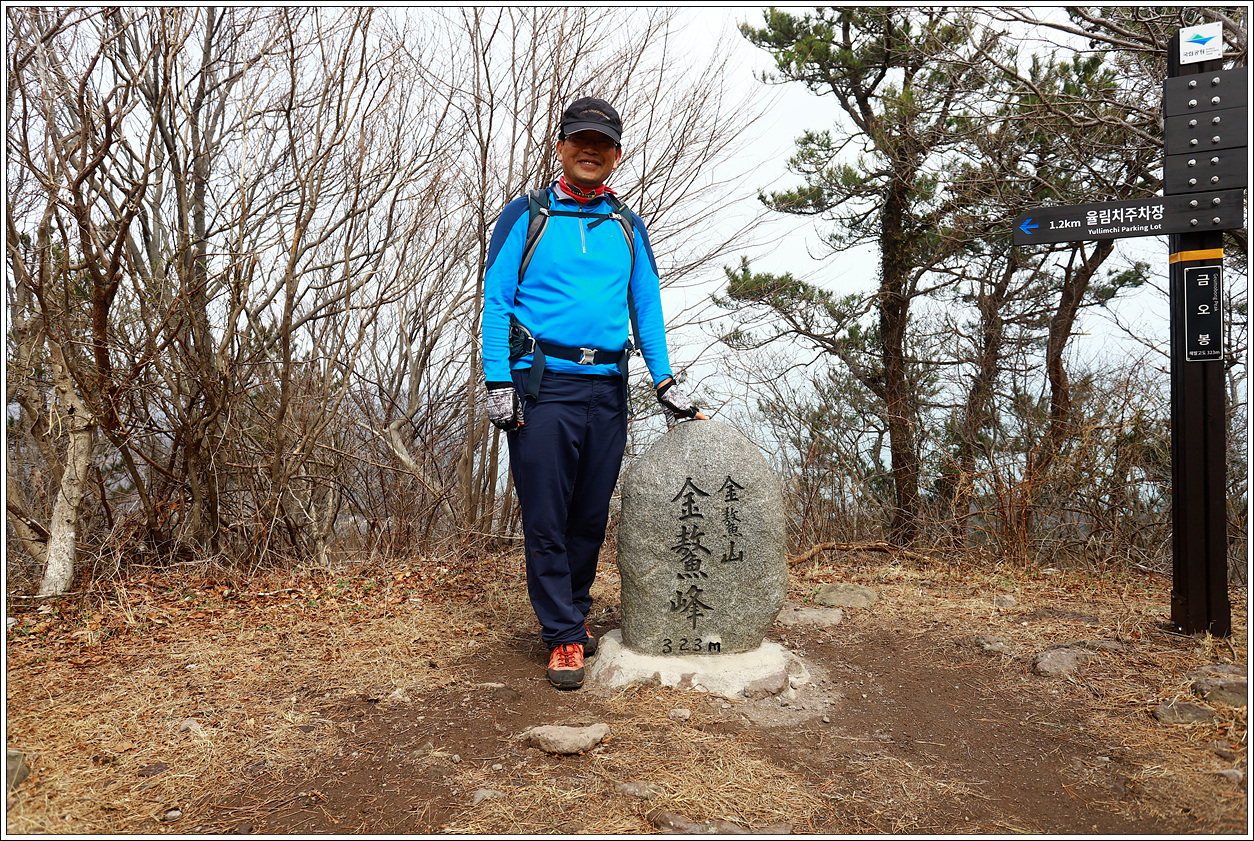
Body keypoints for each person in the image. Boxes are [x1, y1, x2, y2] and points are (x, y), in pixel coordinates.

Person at [481, 96, 705, 690]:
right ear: (560, 147)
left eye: (602, 143)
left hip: (607, 387)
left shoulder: (628, 226)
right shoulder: (527, 215)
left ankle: (573, 614)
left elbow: (646, 306)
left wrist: (664, 382)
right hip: (543, 386)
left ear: (616, 155)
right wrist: (497, 380)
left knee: (589, 515)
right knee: (546, 515)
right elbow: (496, 301)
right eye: (579, 139)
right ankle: (562, 634)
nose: (590, 150)